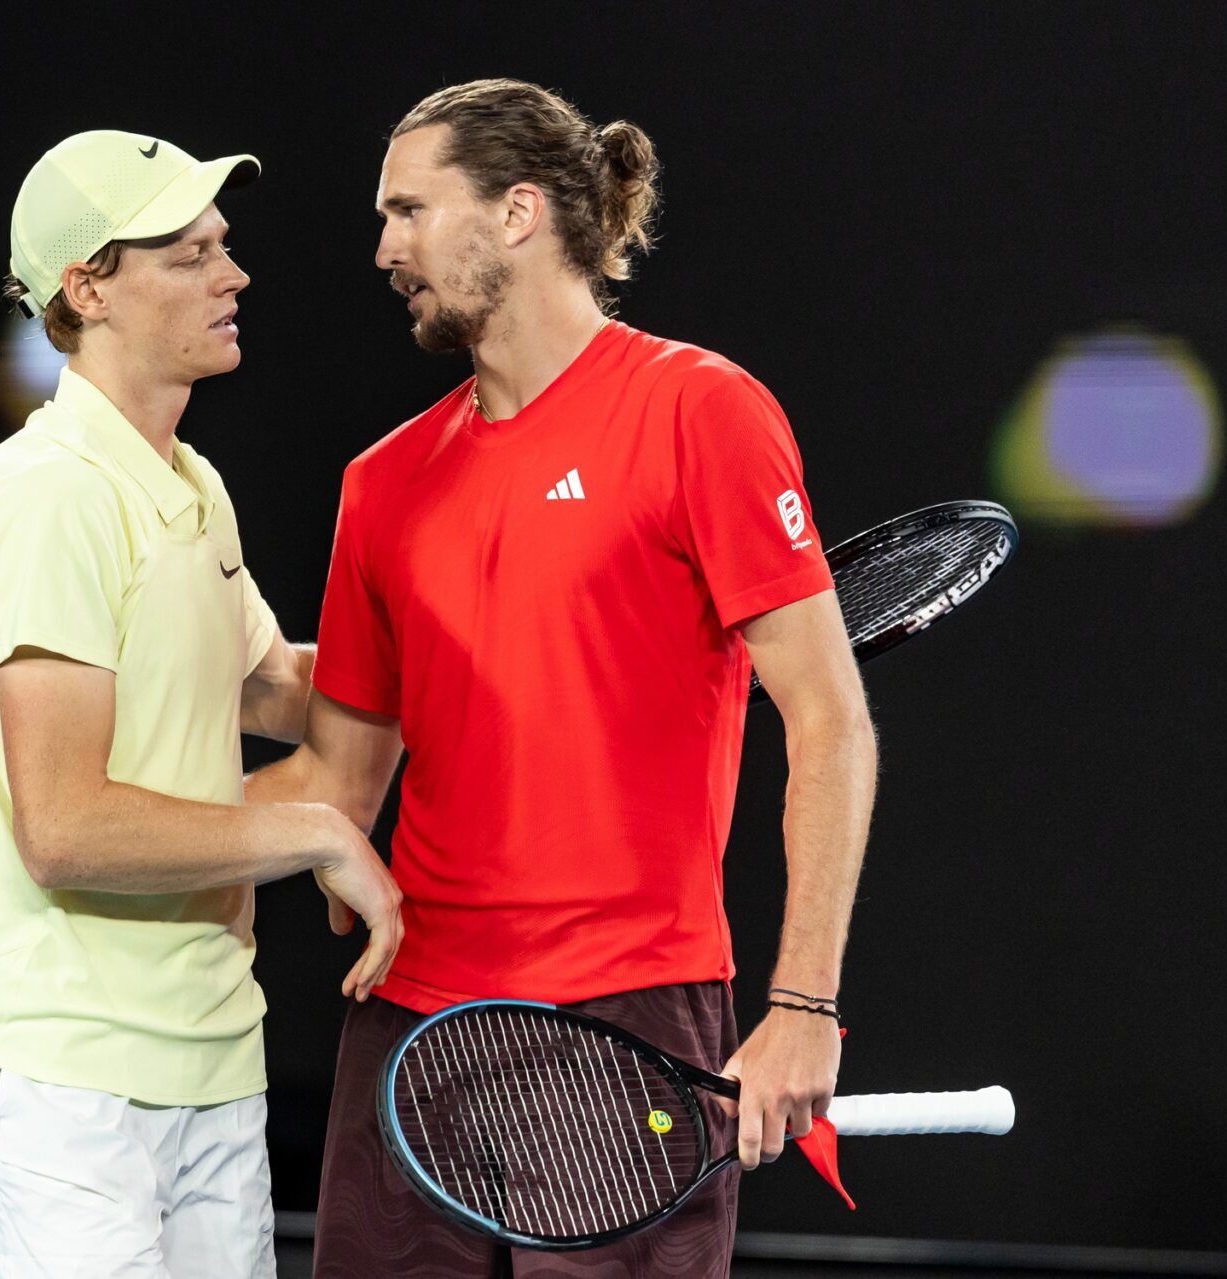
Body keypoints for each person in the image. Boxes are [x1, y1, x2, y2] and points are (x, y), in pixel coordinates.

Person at [244, 79, 879, 1277]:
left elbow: (830, 719)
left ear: (520, 211)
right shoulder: (380, 483)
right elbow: (337, 777)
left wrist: (803, 1007)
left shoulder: (701, 411)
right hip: (409, 1033)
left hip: (624, 1023)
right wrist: (39, 877)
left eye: (410, 211)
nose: (384, 248)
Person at [0, 130, 401, 1279]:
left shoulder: (191, 482)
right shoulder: (48, 493)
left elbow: (274, 688)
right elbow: (66, 826)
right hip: (59, 1074)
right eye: (187, 255)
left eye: (223, 248)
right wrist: (315, 829)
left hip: (210, 1057)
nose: (231, 277)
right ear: (86, 287)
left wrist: (487, 664)